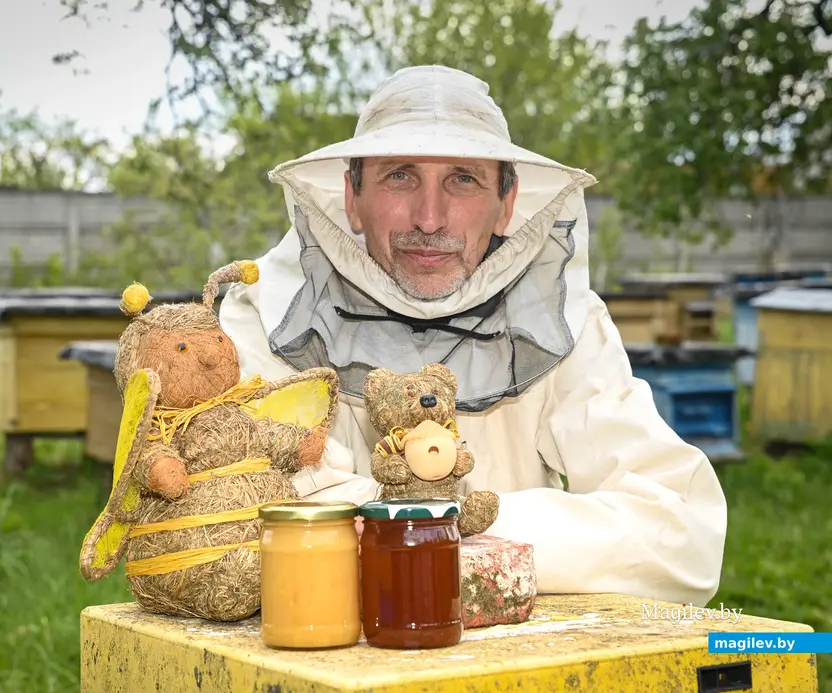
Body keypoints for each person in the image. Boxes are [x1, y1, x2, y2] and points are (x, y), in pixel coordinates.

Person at [218, 65, 727, 605]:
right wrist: (475, 532)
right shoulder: (266, 311)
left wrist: (460, 520)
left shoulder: (561, 320)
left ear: (507, 204)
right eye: (400, 175)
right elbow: (256, 513)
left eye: (463, 178)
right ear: (352, 196)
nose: (430, 217)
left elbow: (684, 540)